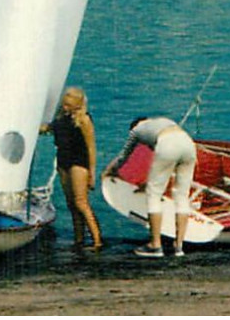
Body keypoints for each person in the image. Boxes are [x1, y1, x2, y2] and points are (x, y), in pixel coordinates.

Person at [102, 115, 197, 257]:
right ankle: (178, 247)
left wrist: (109, 171)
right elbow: (166, 165)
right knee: (181, 196)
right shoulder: (162, 123)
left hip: (168, 145)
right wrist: (148, 182)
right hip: (188, 144)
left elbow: (124, 156)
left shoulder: (136, 131)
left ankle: (155, 246)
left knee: (154, 196)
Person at [44, 87, 104, 250]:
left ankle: (97, 239)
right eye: (64, 104)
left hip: (78, 161)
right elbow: (47, 129)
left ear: (77, 105)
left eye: (68, 105)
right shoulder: (61, 118)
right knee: (71, 204)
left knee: (81, 202)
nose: (65, 107)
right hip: (63, 160)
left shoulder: (83, 120)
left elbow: (91, 147)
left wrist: (92, 172)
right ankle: (79, 239)